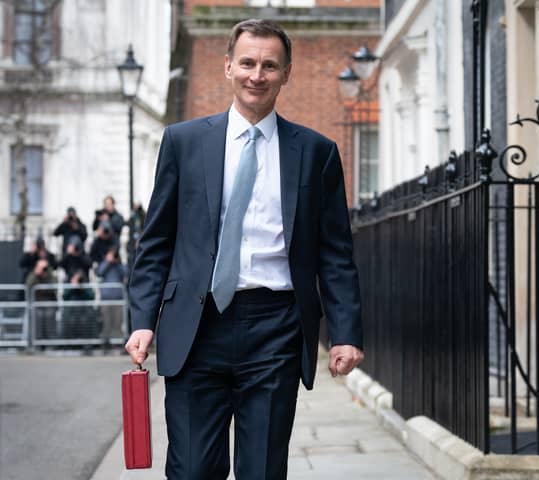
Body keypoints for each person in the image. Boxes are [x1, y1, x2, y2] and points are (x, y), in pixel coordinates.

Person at [126, 19, 363, 480]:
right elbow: (156, 241)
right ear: (229, 67)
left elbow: (335, 252)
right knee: (193, 469)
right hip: (196, 327)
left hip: (275, 327)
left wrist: (347, 331)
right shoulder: (184, 142)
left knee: (262, 470)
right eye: (249, 63)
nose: (258, 75)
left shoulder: (317, 153)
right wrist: (141, 321)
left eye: (270, 65)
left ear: (286, 73)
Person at [95, 247, 127, 350]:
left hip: (118, 299)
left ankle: (117, 343)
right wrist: (107, 261)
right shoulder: (105, 265)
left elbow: (126, 273)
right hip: (106, 299)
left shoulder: (120, 266)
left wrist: (117, 262)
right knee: (106, 322)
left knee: (117, 322)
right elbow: (99, 272)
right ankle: (105, 343)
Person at [26, 258, 57, 341]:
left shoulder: (51, 275)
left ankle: (51, 343)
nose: (43, 269)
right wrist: (36, 274)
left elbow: (53, 287)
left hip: (49, 303)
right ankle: (37, 343)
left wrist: (46, 276)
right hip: (37, 303)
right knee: (37, 321)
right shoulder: (34, 274)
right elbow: (29, 285)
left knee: (49, 321)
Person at [61, 270, 96, 341]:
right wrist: (72, 286)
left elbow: (92, 296)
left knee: (86, 324)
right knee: (70, 323)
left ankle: (86, 344)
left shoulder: (85, 285)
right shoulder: (70, 285)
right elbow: (64, 297)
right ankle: (71, 344)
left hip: (84, 312)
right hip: (72, 312)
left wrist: (83, 288)